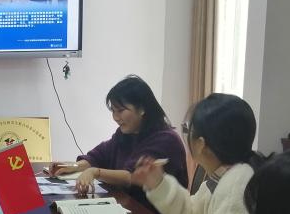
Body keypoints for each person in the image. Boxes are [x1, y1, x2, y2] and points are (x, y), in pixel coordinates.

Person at [130, 93, 259, 214]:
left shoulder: (237, 184)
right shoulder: (225, 175)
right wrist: (159, 184)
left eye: (188, 130)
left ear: (200, 144)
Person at [48, 75, 187, 202]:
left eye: (120, 110)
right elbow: (99, 155)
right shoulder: (126, 133)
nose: (115, 117)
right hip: (129, 206)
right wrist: (74, 166)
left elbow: (130, 176)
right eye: (113, 111)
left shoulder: (166, 140)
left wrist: (95, 172)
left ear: (142, 108)